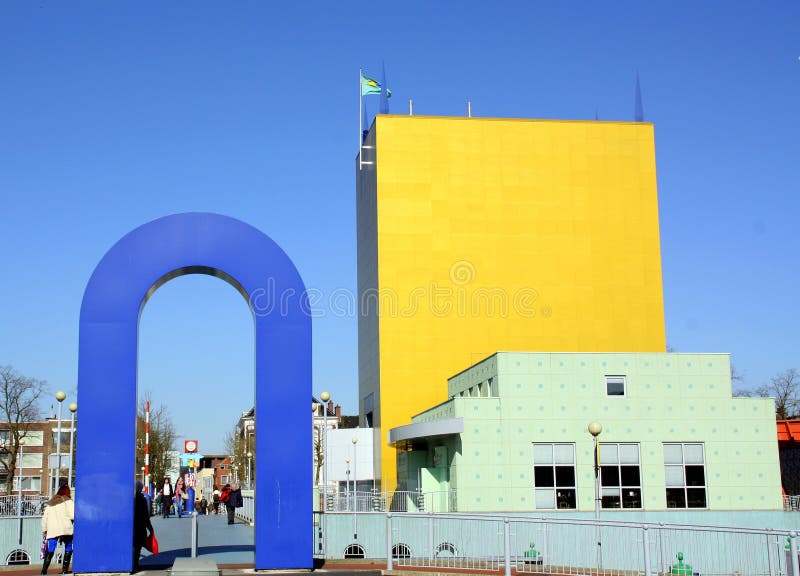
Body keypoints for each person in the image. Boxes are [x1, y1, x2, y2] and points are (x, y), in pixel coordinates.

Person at [41, 481, 74, 574]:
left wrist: (44, 529)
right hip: (65, 528)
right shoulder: (67, 500)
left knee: (50, 549)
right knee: (68, 546)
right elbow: (72, 515)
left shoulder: (51, 502)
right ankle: (64, 570)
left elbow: (45, 518)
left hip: (53, 529)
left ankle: (44, 571)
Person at [133, 481, 154, 573]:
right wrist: (150, 528)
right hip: (140, 525)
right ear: (141, 488)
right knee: (138, 546)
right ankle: (135, 563)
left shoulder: (130, 498)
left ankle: (132, 563)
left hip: (132, 525)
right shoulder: (142, 499)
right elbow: (146, 515)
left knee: (133, 545)